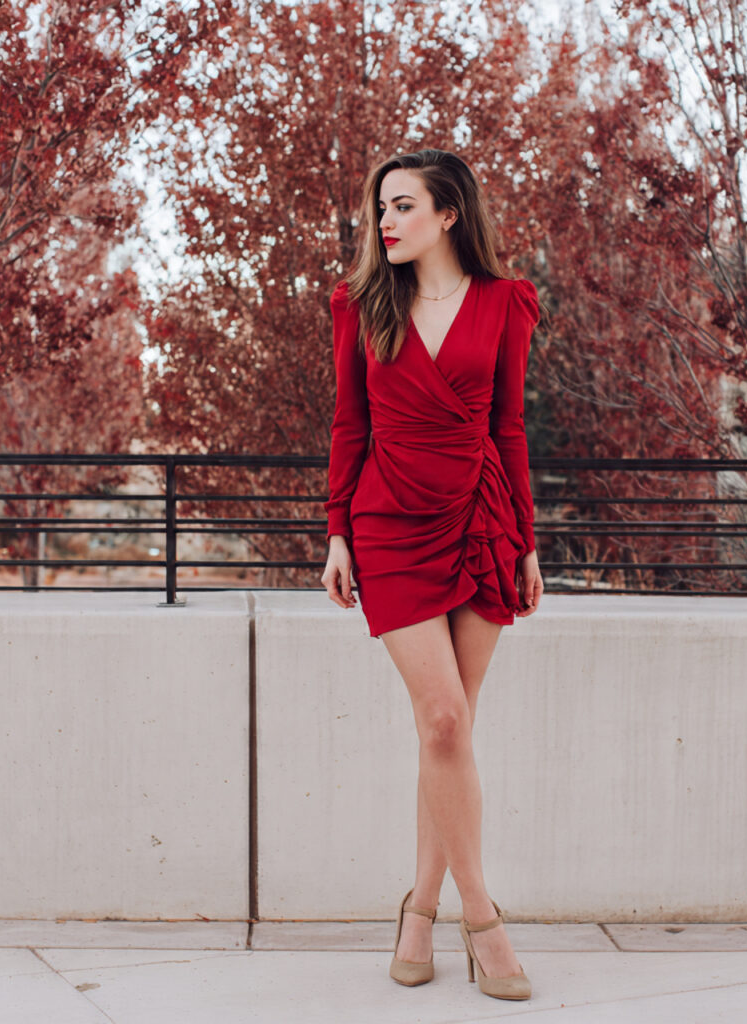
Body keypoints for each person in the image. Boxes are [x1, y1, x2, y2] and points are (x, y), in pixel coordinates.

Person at [321, 148, 543, 1002]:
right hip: (390, 523)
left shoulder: (506, 303)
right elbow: (349, 422)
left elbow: (511, 427)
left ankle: (419, 909)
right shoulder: (359, 303)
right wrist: (338, 530)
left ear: (449, 213)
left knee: (445, 733)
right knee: (443, 718)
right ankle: (482, 917)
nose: (385, 221)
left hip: (482, 519)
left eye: (403, 205)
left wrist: (524, 540)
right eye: (381, 206)